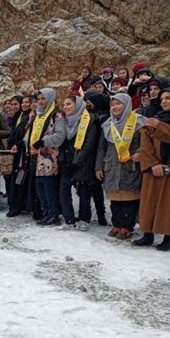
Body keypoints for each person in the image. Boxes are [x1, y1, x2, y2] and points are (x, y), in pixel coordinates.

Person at [95, 93, 145, 240]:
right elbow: (101, 148)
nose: (115, 107)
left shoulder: (139, 122)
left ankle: (127, 227)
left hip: (130, 166)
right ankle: (116, 224)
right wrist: (99, 167)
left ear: (127, 105)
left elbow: (147, 144)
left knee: (129, 198)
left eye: (119, 104)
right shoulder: (107, 125)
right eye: (113, 104)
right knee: (115, 199)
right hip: (111, 166)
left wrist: (140, 153)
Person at [133, 87, 170, 250]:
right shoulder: (154, 119)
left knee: (168, 206)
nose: (164, 101)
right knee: (149, 203)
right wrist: (153, 163)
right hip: (154, 168)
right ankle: (147, 234)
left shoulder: (157, 122)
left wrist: (160, 126)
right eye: (162, 99)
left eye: (169, 98)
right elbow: (145, 144)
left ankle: (169, 236)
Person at [57, 96, 101, 231]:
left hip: (83, 161)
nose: (65, 107)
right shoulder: (64, 121)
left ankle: (84, 219)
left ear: (78, 105)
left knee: (84, 190)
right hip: (67, 160)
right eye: (64, 104)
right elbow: (62, 143)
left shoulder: (90, 120)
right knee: (64, 190)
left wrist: (76, 163)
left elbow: (89, 145)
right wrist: (63, 161)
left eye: (69, 104)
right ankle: (69, 219)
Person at [30, 88, 66, 226]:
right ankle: (46, 213)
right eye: (39, 99)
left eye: (43, 98)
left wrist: (43, 141)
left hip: (49, 157)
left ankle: (53, 214)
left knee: (48, 187)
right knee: (40, 187)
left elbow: (59, 136)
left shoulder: (56, 115)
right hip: (37, 156)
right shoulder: (38, 115)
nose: (40, 101)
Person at [83, 90, 110, 226]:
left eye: (90, 102)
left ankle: (101, 214)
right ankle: (89, 213)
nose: (88, 105)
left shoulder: (103, 117)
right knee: (88, 187)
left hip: (97, 154)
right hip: (89, 155)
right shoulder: (89, 116)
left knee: (96, 187)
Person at [7, 96, 32, 217]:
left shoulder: (30, 117)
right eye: (24, 102)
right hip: (16, 152)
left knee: (20, 179)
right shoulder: (20, 116)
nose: (25, 104)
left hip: (23, 154)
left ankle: (17, 205)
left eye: (27, 102)